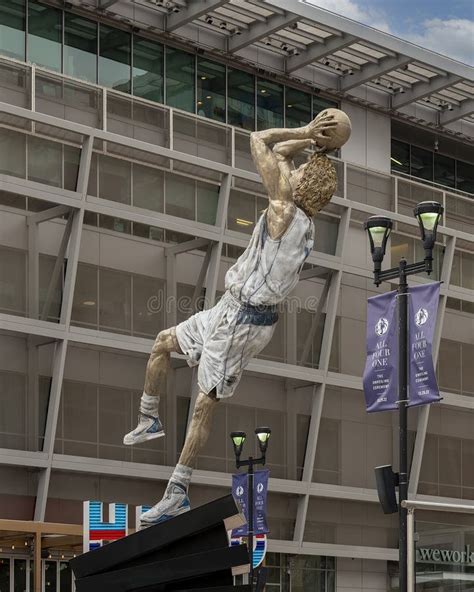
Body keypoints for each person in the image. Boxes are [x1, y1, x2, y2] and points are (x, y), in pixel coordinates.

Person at [123, 108, 351, 527]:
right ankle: (149, 416)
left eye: (300, 173)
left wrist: (304, 130)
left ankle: (177, 491)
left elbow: (259, 141)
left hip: (244, 322)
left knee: (202, 405)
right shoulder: (296, 213)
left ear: (304, 186)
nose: (292, 170)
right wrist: (315, 142)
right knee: (162, 343)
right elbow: (281, 154)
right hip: (231, 308)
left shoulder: (285, 212)